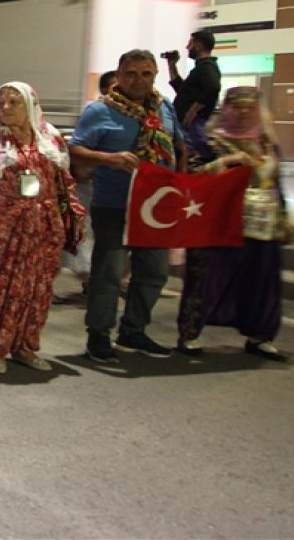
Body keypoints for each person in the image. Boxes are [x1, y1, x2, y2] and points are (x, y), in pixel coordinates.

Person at [69, 49, 184, 363]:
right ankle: (99, 336)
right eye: (131, 73)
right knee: (109, 273)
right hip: (115, 205)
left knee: (155, 273)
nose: (138, 80)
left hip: (156, 207)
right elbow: (75, 150)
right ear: (118, 76)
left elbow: (178, 146)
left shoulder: (164, 108)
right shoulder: (100, 111)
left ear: (155, 76)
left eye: (146, 74)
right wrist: (109, 159)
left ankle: (133, 331)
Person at [0, 82, 85, 374]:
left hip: (44, 226)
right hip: (3, 226)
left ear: (29, 105)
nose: (6, 108)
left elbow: (64, 182)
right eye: (2, 102)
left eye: (14, 103)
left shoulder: (50, 138)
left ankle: (26, 347)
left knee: (38, 288)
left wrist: (75, 216)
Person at [176, 86, 292, 361]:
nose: (242, 113)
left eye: (249, 108)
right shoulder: (210, 142)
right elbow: (192, 175)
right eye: (236, 107)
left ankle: (260, 335)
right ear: (226, 110)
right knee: (208, 278)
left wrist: (284, 219)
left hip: (263, 224)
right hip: (220, 221)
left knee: (262, 279)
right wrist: (226, 162)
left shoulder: (267, 143)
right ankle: (190, 333)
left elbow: (276, 183)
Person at [57, 70, 117, 303]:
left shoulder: (139, 116)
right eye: (113, 87)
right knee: (85, 234)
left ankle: (99, 285)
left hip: (119, 191)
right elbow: (79, 158)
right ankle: (92, 285)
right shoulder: (95, 115)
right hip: (91, 189)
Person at [164, 30, 221, 132]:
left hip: (194, 125)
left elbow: (213, 87)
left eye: (190, 44)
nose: (187, 47)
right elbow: (183, 92)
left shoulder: (206, 66)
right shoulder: (201, 67)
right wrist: (172, 65)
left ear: (198, 46)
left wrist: (191, 112)